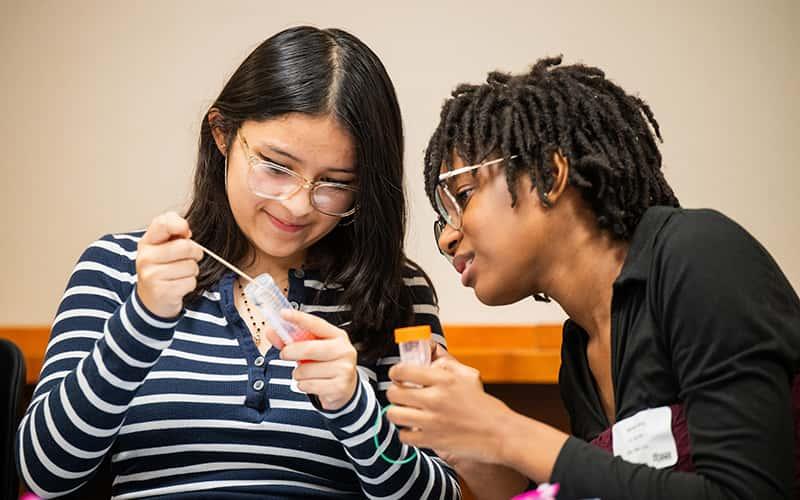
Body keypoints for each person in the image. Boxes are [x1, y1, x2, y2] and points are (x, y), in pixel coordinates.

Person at [16, 26, 460, 499]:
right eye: (276, 166)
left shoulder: (395, 291)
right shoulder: (118, 269)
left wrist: (355, 409)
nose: (296, 205)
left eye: (334, 182)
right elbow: (45, 474)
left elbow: (437, 494)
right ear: (222, 134)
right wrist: (142, 321)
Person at [386, 56, 800, 499]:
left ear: (551, 172)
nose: (448, 237)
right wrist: (468, 445)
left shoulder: (700, 255)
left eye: (462, 197)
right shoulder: (580, 351)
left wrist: (501, 429)